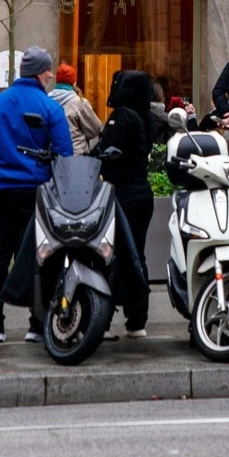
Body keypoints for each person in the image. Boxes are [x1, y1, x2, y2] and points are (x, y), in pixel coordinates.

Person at [0, 46, 72, 343]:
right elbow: (64, 155)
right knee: (39, 256)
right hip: (37, 191)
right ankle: (35, 323)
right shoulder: (51, 108)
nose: (51, 76)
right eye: (49, 71)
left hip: (2, 190)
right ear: (41, 73)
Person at [96, 70, 155, 336]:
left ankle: (104, 321)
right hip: (143, 192)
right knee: (137, 255)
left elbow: (104, 151)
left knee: (110, 256)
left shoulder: (121, 116)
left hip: (121, 194)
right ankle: (137, 321)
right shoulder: (146, 117)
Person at [50, 64, 103, 155]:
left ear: (57, 80)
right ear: (74, 82)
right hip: (76, 158)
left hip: (52, 157)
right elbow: (95, 129)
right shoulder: (79, 103)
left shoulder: (47, 100)